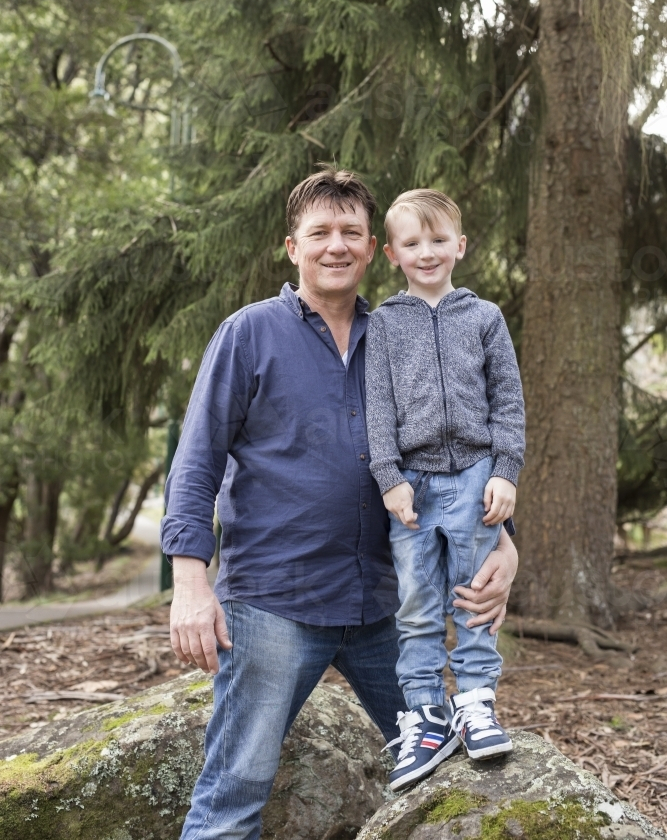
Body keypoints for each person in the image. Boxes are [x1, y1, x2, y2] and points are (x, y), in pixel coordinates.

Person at [161, 168, 519, 840]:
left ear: (370, 247)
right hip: (274, 601)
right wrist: (188, 581)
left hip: (382, 602)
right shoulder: (249, 334)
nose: (335, 245)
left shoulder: (402, 330)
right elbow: (198, 458)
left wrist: (502, 541)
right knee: (234, 792)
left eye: (349, 231)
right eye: (319, 232)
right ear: (291, 247)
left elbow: (455, 439)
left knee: (447, 775)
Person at [365, 188, 525, 791]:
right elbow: (376, 408)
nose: (426, 253)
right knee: (416, 604)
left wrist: (505, 472)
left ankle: (476, 700)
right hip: (412, 486)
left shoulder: (484, 317)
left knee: (474, 596)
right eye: (412, 243)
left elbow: (508, 400)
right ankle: (426, 714)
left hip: (476, 478)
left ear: (460, 245)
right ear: (391, 253)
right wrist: (390, 481)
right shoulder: (382, 324)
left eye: (438, 241)